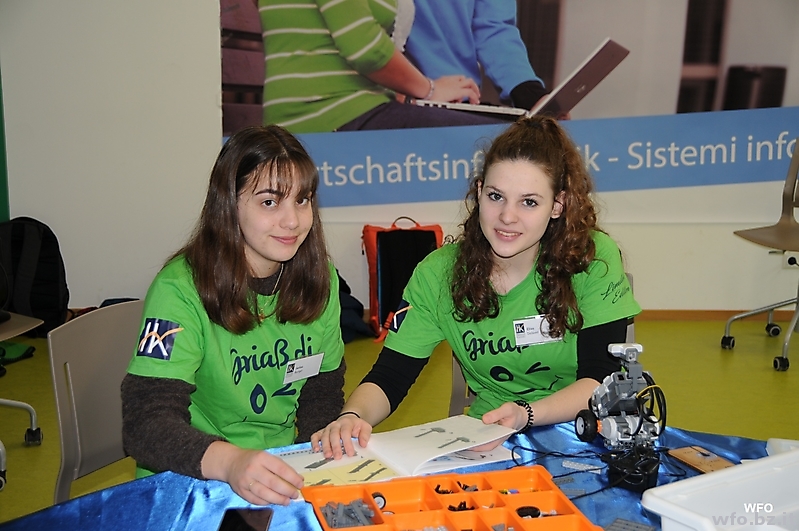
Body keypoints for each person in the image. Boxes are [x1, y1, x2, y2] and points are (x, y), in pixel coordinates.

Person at [312, 115, 641, 458]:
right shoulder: (438, 274)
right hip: (489, 437)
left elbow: (600, 378)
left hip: (584, 431)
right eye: (496, 196)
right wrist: (352, 417)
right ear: (480, 191)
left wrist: (526, 415)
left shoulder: (591, 258)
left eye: (529, 202)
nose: (507, 217)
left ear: (557, 205)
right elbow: (390, 376)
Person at [121, 125, 346, 506]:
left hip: (280, 472)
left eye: (302, 200)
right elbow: (145, 424)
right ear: (228, 203)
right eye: (269, 202)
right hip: (194, 475)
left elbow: (321, 392)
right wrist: (231, 463)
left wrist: (316, 456)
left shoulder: (319, 278)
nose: (293, 221)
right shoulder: (180, 289)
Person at [259, 0, 508, 133]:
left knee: (501, 130)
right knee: (497, 139)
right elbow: (365, 49)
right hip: (326, 115)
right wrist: (430, 90)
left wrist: (412, 98)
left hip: (347, 109)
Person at [404, 0, 549, 112]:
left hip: (460, 98)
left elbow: (494, 26)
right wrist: (427, 89)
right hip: (402, 99)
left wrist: (528, 93)